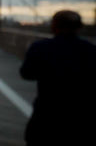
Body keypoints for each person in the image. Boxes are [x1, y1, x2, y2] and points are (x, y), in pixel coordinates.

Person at [20, 10, 96, 145]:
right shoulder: (91, 50)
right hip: (81, 118)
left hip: (46, 115)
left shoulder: (40, 47)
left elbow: (26, 74)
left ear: (54, 26)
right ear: (79, 27)